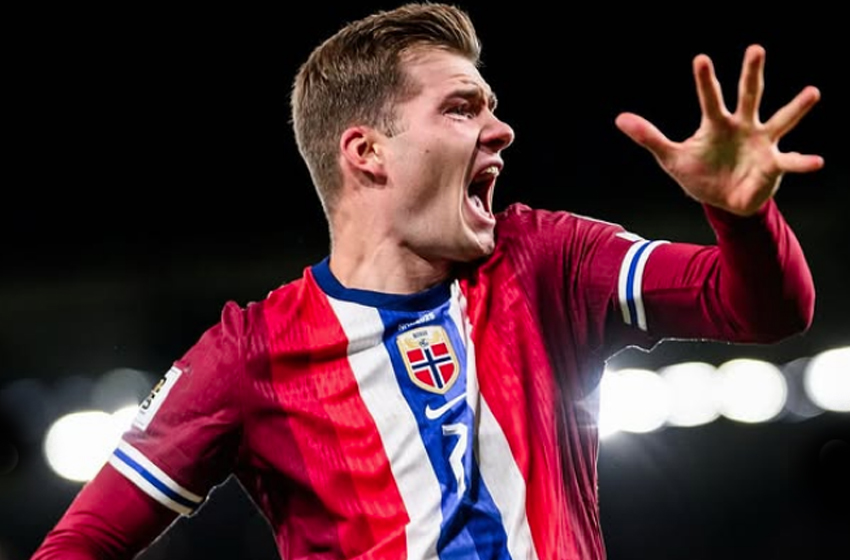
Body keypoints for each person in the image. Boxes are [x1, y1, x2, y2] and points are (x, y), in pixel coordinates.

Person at [31, 2, 822, 559]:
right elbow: (82, 543)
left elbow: (762, 310)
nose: (501, 129)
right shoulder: (249, 353)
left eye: (491, 107)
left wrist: (743, 218)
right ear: (367, 153)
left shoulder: (545, 260)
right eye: (462, 109)